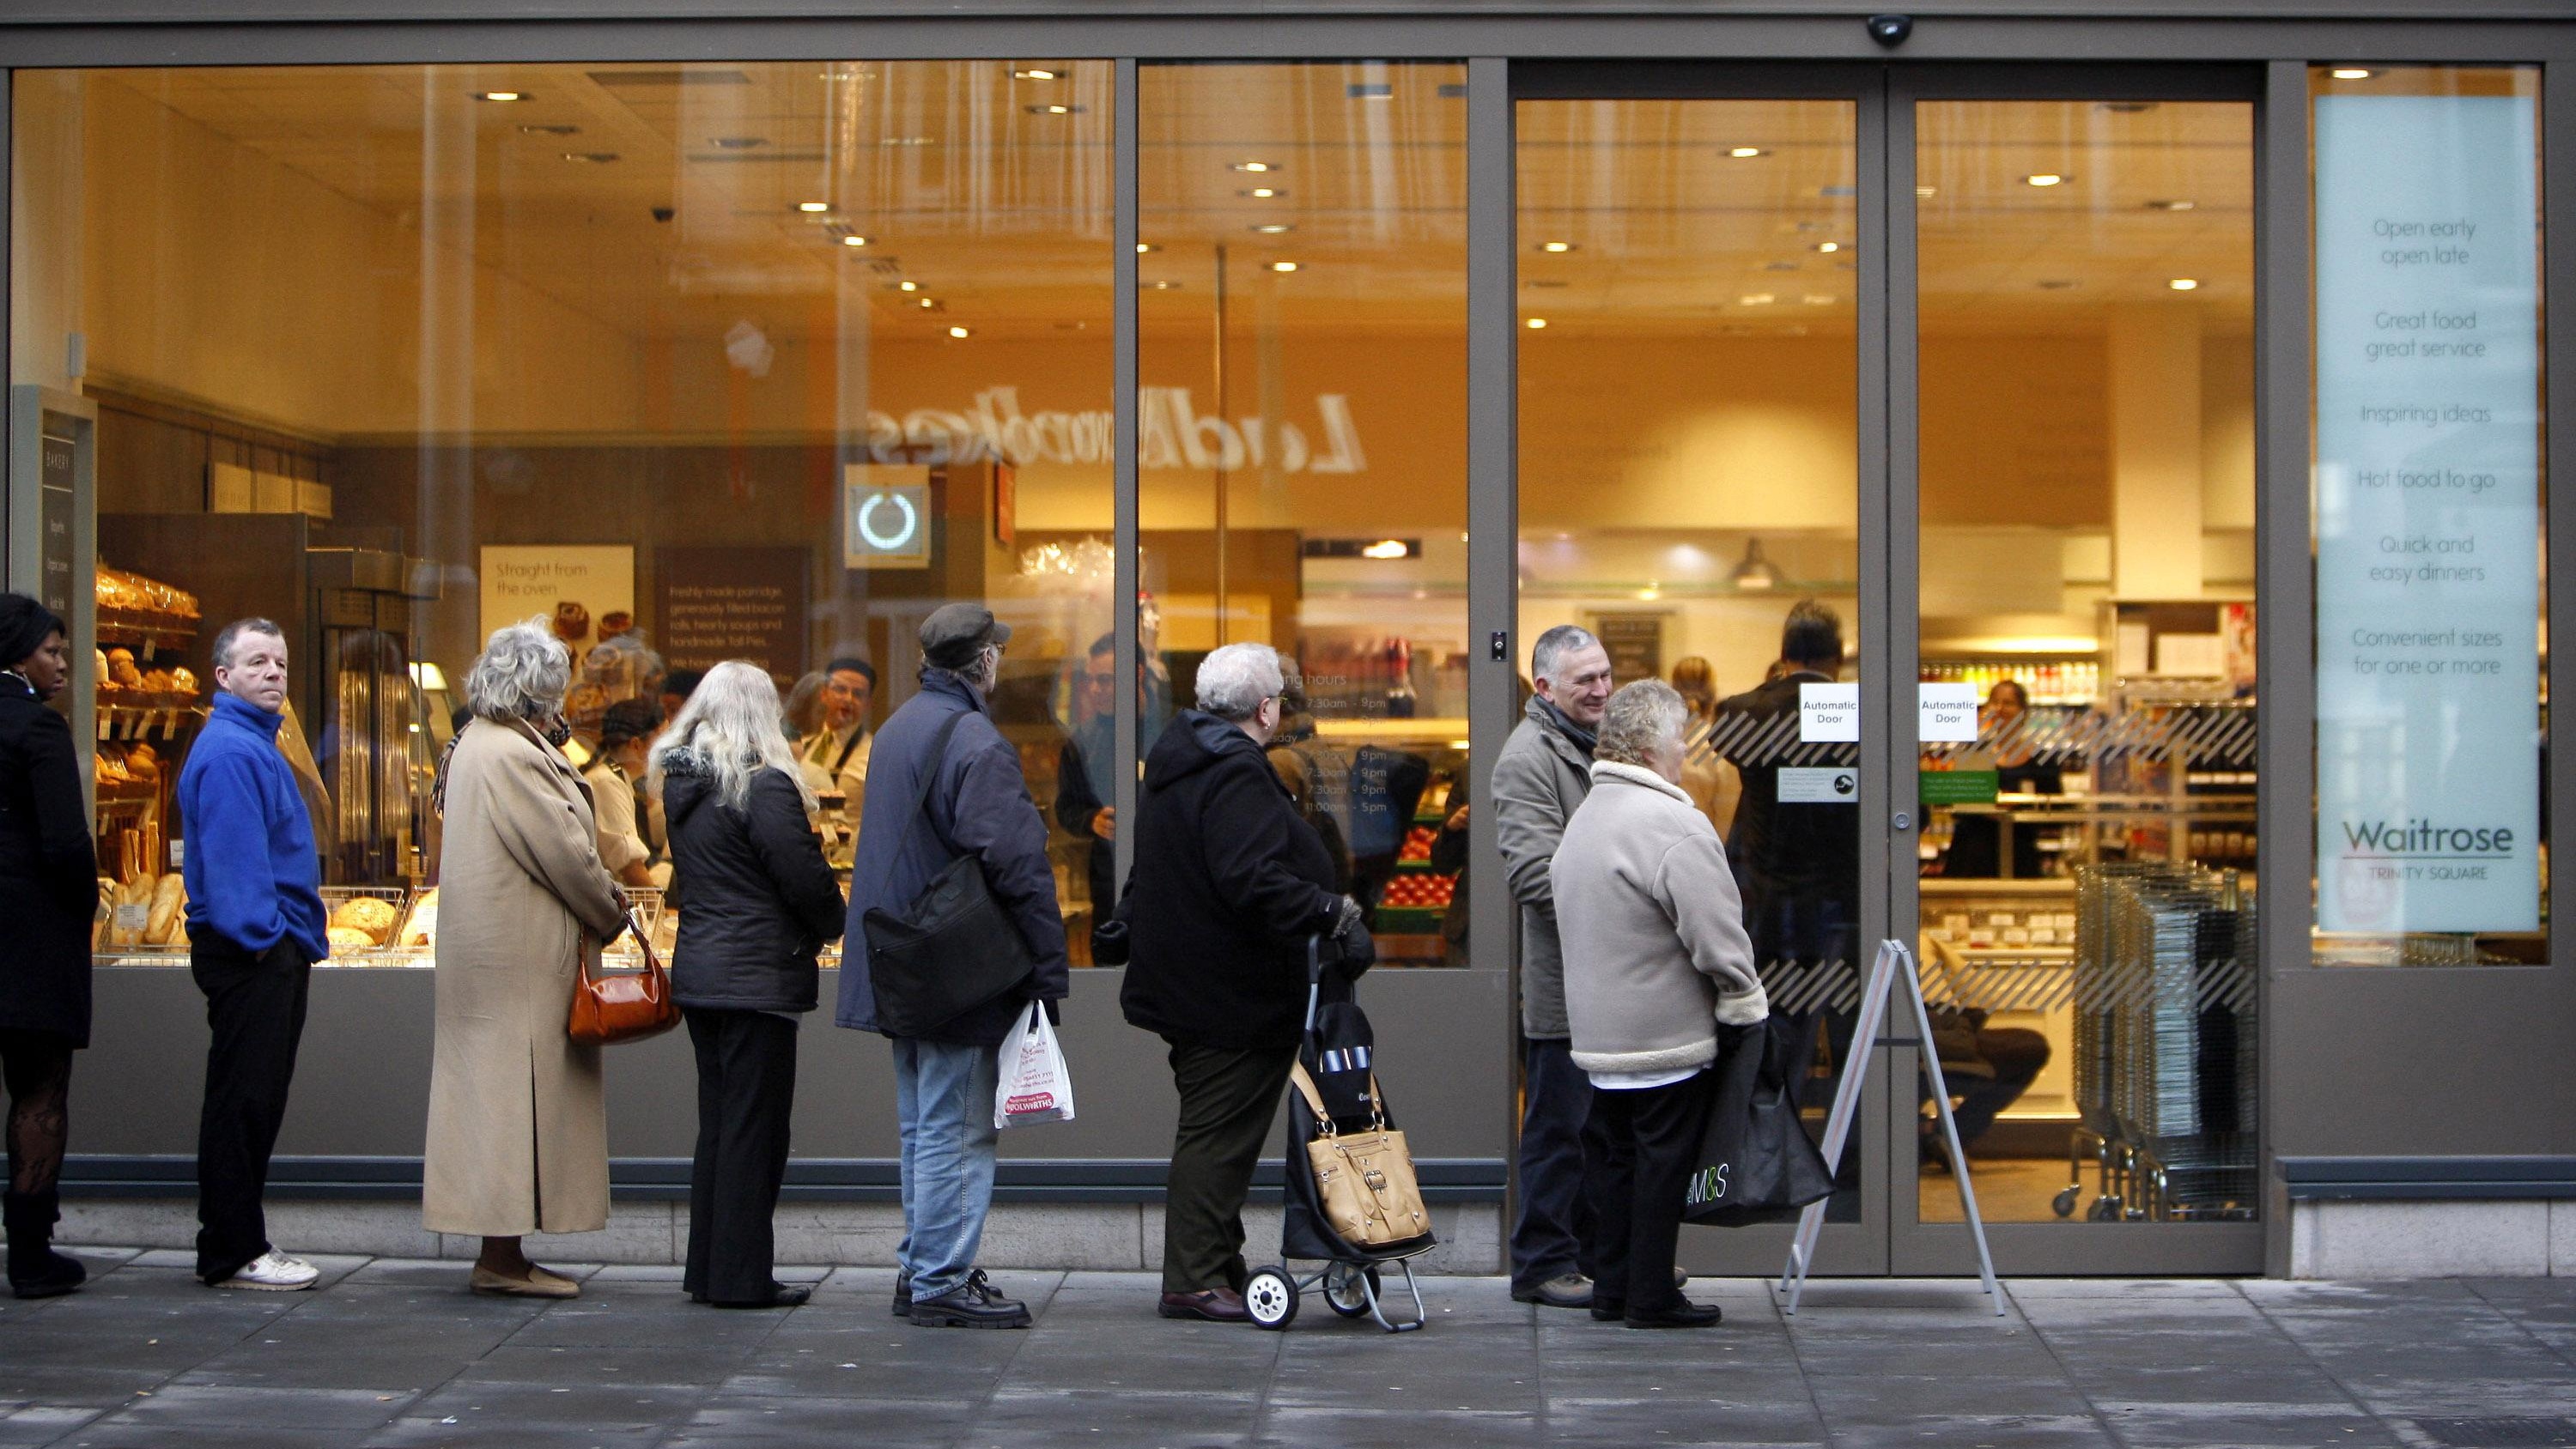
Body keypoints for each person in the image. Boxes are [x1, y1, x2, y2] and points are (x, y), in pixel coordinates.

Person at [1118, 643, 1370, 1323]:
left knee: (1215, 1130)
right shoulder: (1231, 772)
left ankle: (1213, 1266)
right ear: (1266, 708)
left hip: (1196, 984)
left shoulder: (1183, 760)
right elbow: (1250, 878)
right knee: (1217, 1136)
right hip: (1226, 993)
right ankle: (1196, 1278)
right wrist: (1330, 911)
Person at [838, 603, 1069, 1330]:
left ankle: (924, 1264)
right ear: (985, 663)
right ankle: (940, 1277)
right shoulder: (976, 739)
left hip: (906, 959)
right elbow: (1018, 863)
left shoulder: (901, 725)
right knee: (958, 1125)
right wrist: (1047, 965)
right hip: (957, 967)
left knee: (922, 1123)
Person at [422, 618, 630, 1299]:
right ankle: (502, 1259)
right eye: (557, 689)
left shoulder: (477, 744)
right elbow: (567, 854)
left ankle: (502, 1251)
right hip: (515, 964)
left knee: (495, 1104)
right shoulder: (511, 755)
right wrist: (612, 909)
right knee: (509, 1106)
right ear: (538, 689)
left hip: (494, 959)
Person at [1550, 679, 1765, 1330]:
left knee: (1614, 1164)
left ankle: (1613, 1288)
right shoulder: (1672, 822)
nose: (1684, 752)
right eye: (1678, 738)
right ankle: (1651, 1296)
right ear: (1649, 747)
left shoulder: (1588, 816)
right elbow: (1718, 937)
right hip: (1663, 1034)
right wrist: (1744, 1001)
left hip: (1599, 1035)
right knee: (1662, 1167)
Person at [654, 662, 846, 1309]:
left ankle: (709, 1268)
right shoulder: (762, 785)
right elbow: (803, 876)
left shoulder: (684, 786)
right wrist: (831, 920)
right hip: (756, 975)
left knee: (721, 1127)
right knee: (755, 1132)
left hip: (704, 972)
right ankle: (740, 1278)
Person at [175, 617, 328, 1291]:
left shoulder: (250, 743)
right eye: (258, 663)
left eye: (281, 664)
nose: (273, 674)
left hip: (263, 948)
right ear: (224, 676)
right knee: (244, 1102)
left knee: (249, 1100)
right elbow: (238, 872)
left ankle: (234, 1242)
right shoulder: (235, 752)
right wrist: (271, 943)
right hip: (253, 954)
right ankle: (235, 1249)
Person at [1491, 623, 1614, 1310]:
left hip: (1613, 982)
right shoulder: (1527, 758)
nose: (1600, 689)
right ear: (1544, 688)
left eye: (1604, 675)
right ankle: (1542, 1264)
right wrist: (1632, 890)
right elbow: (1535, 879)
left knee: (1601, 1134)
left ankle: (1603, 1260)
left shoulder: (1599, 745)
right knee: (1557, 1130)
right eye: (1584, 681)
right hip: (1565, 986)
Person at [0, 596, 97, 1298]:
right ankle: (31, 1252)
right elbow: (67, 843)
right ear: (17, 655)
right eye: (53, 652)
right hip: (28, 936)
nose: (63, 664)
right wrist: (85, 905)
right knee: (38, 1090)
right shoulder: (37, 728)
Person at [1715, 600, 1859, 978]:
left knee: (1775, 1015)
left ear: (1782, 655)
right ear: (1840, 656)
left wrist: (1777, 684)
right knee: (1848, 1017)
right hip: (1842, 902)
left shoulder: (1743, 711)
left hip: (1766, 900)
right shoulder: (1862, 714)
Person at [1941, 679, 2062, 881]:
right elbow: (1957, 802)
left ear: (2023, 711)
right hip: (1974, 852)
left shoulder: (2042, 758)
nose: (2000, 708)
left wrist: (2021, 804)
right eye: (1995, 702)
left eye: (2008, 703)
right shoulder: (1973, 751)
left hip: (2020, 850)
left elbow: (2056, 805)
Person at [1052, 634, 1120, 917]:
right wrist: (1092, 819)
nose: (1094, 689)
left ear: (1135, 674)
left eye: (1104, 680)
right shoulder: (1081, 740)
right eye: (1090, 680)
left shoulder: (1166, 731)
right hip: (1107, 877)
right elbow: (1066, 807)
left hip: (1166, 874)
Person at [581, 698, 661, 889]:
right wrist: (659, 915)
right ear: (636, 745)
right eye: (661, 741)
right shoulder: (605, 782)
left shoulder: (618, 779)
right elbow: (631, 867)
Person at [798, 656, 876, 839]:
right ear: (824, 694)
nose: (848, 699)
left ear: (868, 703)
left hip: (850, 861)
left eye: (858, 694)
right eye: (840, 690)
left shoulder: (875, 754)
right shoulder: (805, 747)